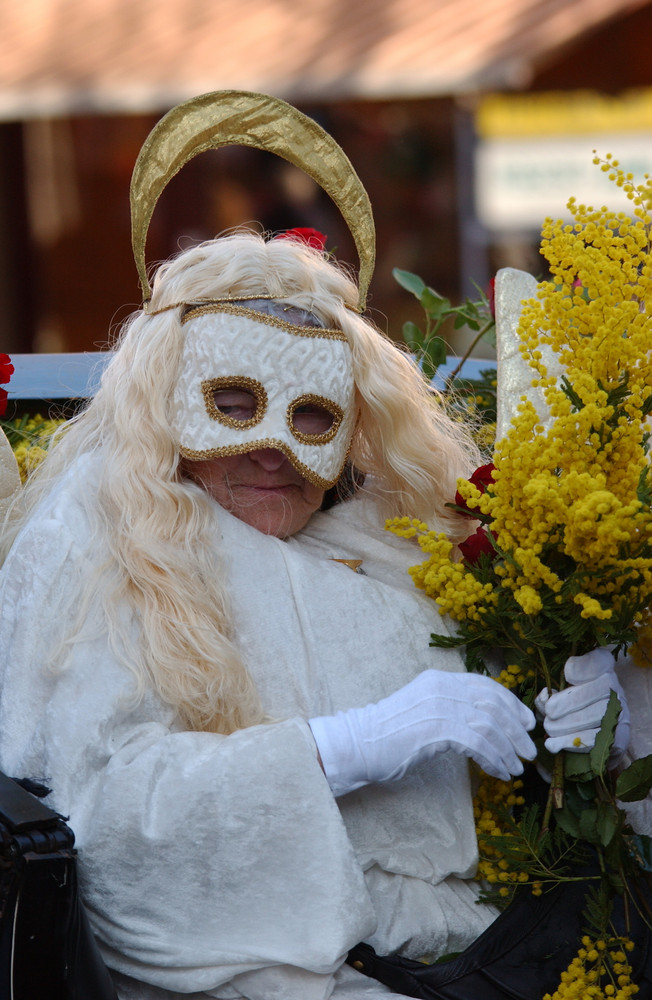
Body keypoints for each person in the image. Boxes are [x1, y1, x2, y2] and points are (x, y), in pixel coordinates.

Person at [0, 93, 637, 1000]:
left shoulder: (391, 536)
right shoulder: (101, 539)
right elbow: (105, 827)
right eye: (230, 404)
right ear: (165, 397)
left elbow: (493, 744)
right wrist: (348, 746)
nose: (273, 449)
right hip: (263, 971)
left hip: (468, 947)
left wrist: (586, 721)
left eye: (311, 416)